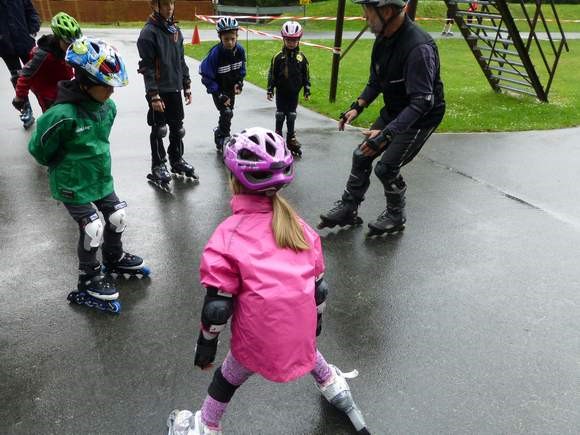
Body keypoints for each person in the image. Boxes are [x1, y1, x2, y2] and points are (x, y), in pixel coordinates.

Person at [166, 127, 370, 435]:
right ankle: (333, 386)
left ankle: (206, 424)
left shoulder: (227, 236)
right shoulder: (300, 228)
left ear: (233, 179)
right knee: (306, 348)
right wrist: (313, 328)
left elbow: (217, 308)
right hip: (302, 334)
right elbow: (319, 289)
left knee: (228, 376)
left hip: (256, 343)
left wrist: (205, 348)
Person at [28, 38, 149, 314]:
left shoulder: (108, 109)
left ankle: (113, 257)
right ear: (83, 80)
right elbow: (38, 149)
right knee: (92, 227)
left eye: (112, 86)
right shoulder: (62, 116)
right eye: (104, 85)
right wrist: (62, 165)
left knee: (118, 216)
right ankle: (89, 275)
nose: (110, 92)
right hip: (72, 183)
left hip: (100, 177)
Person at [319, 0, 445, 237]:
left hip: (421, 117)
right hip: (396, 109)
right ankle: (348, 208)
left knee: (386, 168)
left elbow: (421, 102)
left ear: (386, 11)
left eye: (368, 11)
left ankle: (396, 215)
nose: (365, 17)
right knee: (361, 155)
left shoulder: (418, 48)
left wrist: (386, 135)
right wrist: (357, 107)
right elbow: (376, 81)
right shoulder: (383, 37)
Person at [137, 0, 197, 192]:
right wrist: (153, 94)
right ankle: (158, 164)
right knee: (159, 129)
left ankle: (176, 160)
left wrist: (186, 83)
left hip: (174, 88)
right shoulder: (148, 33)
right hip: (158, 90)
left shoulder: (175, 31)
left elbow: (181, 60)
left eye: (171, 2)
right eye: (165, 3)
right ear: (155, 5)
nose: (169, 7)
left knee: (177, 129)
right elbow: (146, 67)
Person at [12, 12, 81, 114]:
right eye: (67, 43)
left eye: (74, 43)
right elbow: (26, 74)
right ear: (58, 38)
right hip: (46, 91)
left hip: (62, 85)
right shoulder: (43, 55)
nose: (71, 47)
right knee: (52, 116)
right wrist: (19, 97)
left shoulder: (68, 49)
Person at [199, 17, 246, 153]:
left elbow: (241, 69)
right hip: (218, 88)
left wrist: (239, 82)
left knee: (229, 113)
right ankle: (223, 137)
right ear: (220, 37)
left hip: (230, 87)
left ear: (237, 36)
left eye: (233, 38)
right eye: (226, 39)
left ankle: (220, 131)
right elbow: (205, 74)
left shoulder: (240, 51)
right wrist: (218, 94)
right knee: (226, 112)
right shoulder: (215, 54)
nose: (230, 42)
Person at [266, 21, 311, 157]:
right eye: (289, 40)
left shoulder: (301, 58)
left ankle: (291, 138)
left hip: (293, 93)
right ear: (284, 39)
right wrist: (270, 89)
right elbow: (271, 73)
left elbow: (306, 75)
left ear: (298, 40)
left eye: (294, 40)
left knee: (291, 115)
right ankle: (277, 137)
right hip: (281, 92)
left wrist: (307, 89)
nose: (291, 43)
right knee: (280, 114)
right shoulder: (278, 57)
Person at [0, 0, 41, 129]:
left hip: (25, 42)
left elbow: (31, 12)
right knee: (17, 78)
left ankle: (48, 105)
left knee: (36, 74)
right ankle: (26, 109)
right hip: (5, 46)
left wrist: (32, 30)